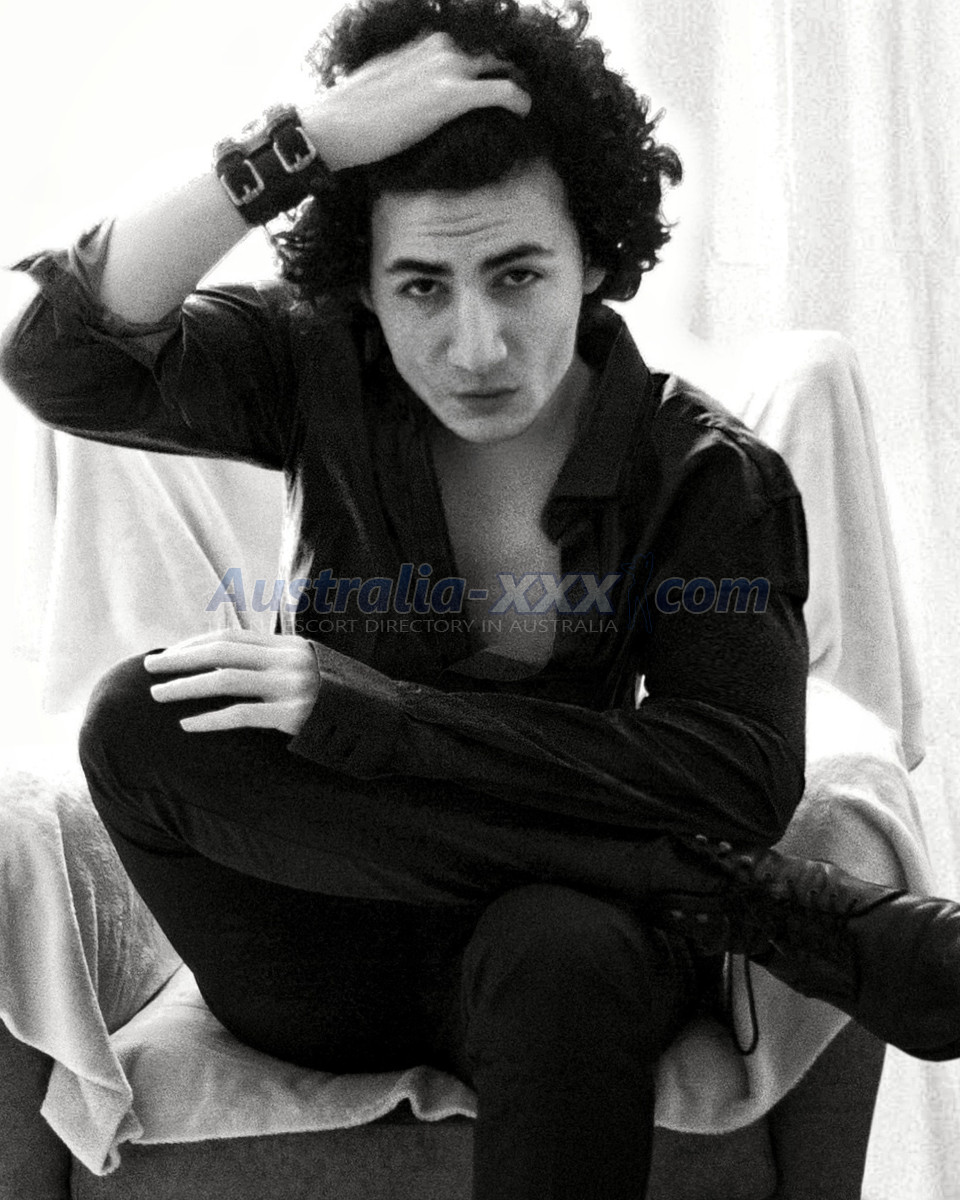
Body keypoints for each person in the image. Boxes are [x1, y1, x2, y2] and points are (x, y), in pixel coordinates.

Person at [1, 1, 959, 1196]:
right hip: (317, 949)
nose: (475, 344)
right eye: (420, 287)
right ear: (364, 289)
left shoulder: (707, 476)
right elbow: (58, 355)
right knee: (140, 718)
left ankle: (674, 897)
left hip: (561, 937)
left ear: (595, 257)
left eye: (517, 276)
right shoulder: (319, 366)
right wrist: (302, 140)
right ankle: (747, 907)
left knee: (564, 944)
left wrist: (385, 720)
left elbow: (735, 776)